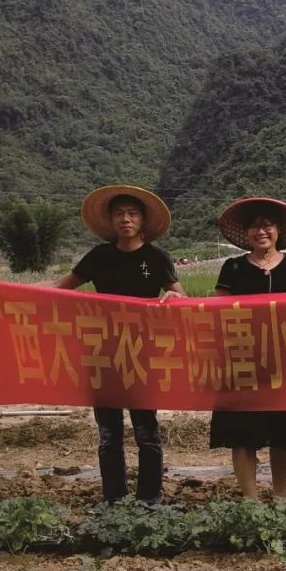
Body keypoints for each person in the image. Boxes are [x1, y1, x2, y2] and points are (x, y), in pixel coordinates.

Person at [53, 185, 185, 504]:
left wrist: (174, 298)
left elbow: (182, 297)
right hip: (104, 355)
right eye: (119, 214)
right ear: (111, 221)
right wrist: (9, 293)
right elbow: (61, 290)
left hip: (142, 355)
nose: (125, 219)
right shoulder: (99, 256)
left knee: (146, 432)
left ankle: (148, 501)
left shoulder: (156, 257)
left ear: (142, 221)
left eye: (132, 214)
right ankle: (114, 500)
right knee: (109, 434)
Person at [209, 197, 286, 500]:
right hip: (242, 360)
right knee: (243, 433)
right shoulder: (233, 267)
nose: (261, 230)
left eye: (267, 224)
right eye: (254, 225)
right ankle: (251, 501)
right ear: (246, 233)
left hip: (284, 361)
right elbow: (218, 311)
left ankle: (280, 497)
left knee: (283, 432)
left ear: (278, 230)